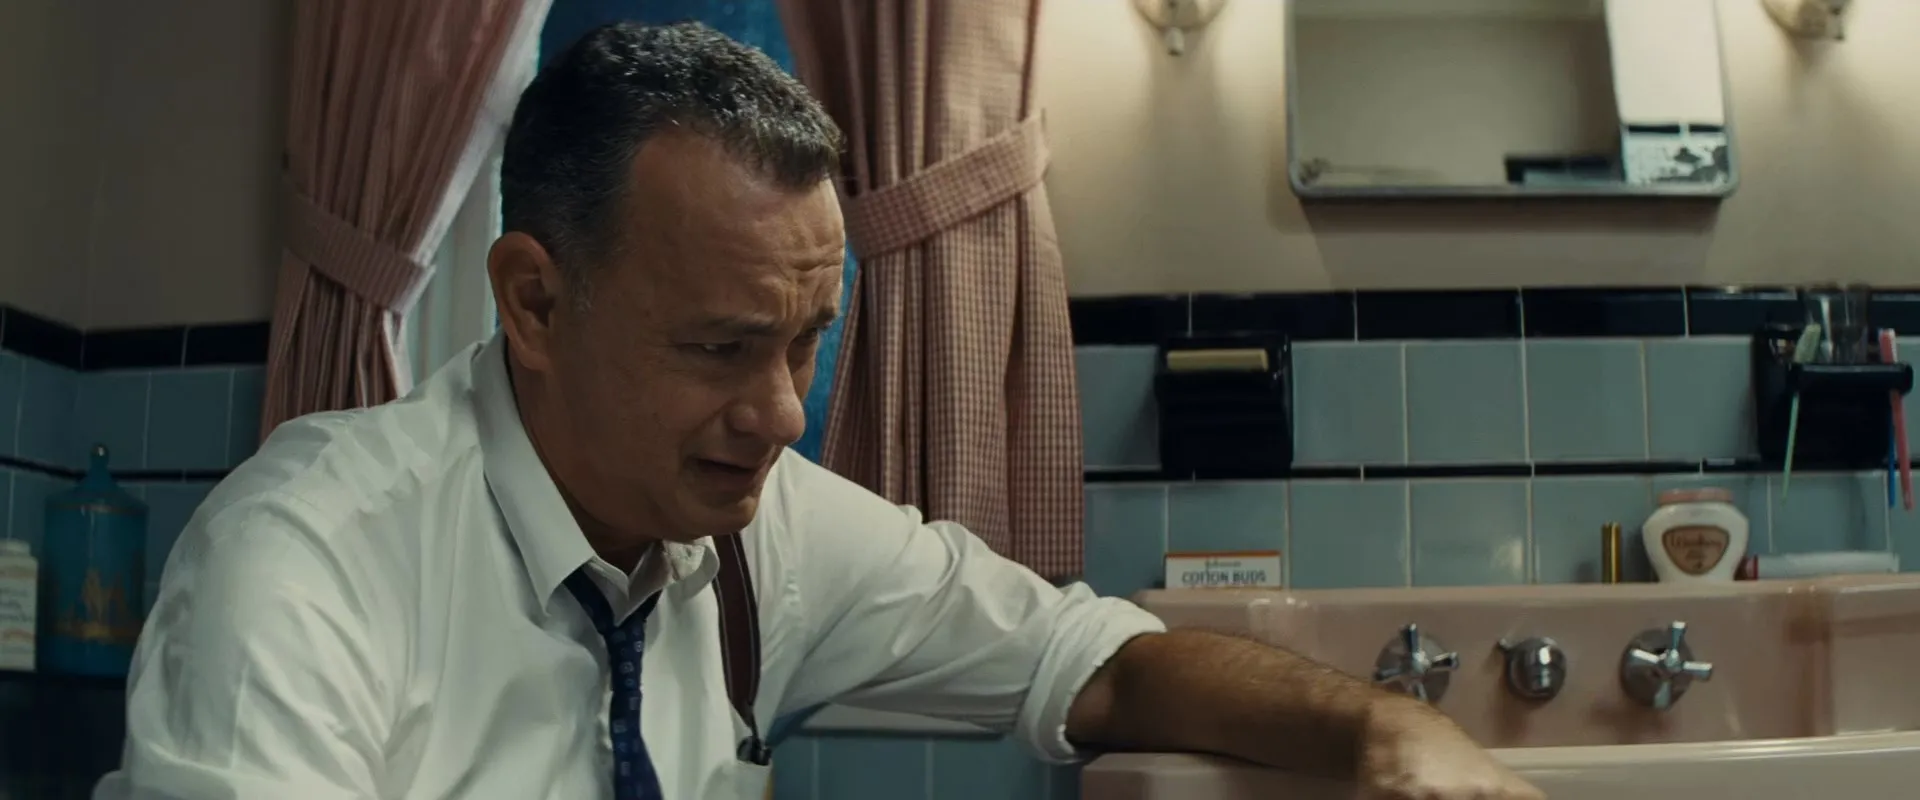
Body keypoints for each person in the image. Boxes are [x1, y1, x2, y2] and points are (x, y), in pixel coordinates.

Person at [97, 21, 1544, 800]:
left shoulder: (758, 533)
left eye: (806, 343)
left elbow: (1096, 663)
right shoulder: (310, 561)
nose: (783, 414)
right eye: (722, 347)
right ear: (532, 304)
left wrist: (1381, 736)